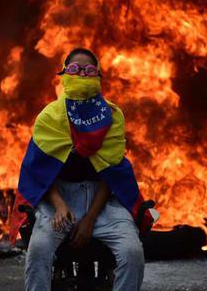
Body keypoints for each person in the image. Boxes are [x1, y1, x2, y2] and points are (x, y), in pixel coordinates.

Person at [9, 48, 152, 291]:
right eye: (75, 70)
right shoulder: (49, 117)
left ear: (98, 77)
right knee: (39, 250)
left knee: (132, 252)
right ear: (64, 75)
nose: (82, 75)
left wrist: (90, 219)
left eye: (89, 70)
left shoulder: (113, 116)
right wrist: (60, 206)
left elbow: (112, 172)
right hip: (59, 197)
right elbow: (40, 171)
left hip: (103, 200)